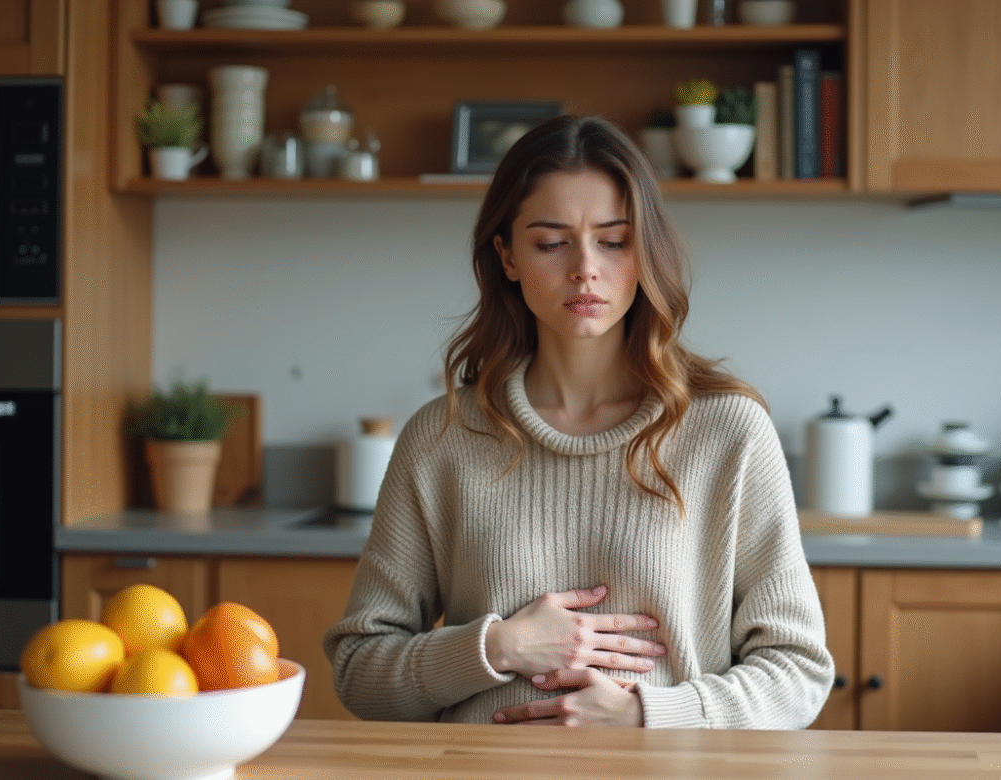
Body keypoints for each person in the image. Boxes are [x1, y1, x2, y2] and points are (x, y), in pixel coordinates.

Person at [323, 115, 834, 729]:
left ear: (645, 253)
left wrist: (646, 715)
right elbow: (360, 672)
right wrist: (496, 647)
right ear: (507, 256)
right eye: (551, 243)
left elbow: (798, 672)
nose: (585, 268)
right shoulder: (441, 439)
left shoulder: (730, 433)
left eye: (614, 241)